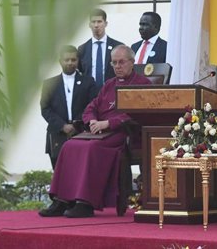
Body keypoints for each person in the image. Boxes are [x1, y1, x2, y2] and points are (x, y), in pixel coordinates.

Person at [39, 45, 152, 218]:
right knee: (70, 145)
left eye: (121, 62)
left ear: (132, 62)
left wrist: (108, 123)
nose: (117, 66)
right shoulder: (109, 85)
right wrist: (91, 120)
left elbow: (139, 115)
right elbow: (91, 107)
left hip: (123, 133)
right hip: (99, 131)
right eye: (114, 63)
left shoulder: (143, 84)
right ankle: (62, 200)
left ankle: (85, 203)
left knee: (90, 148)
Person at [40, 45, 99, 168]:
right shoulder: (49, 84)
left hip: (82, 133)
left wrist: (76, 125)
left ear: (78, 61)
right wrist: (62, 126)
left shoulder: (88, 82)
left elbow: (92, 106)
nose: (70, 63)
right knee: (60, 176)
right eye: (66, 60)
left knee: (81, 174)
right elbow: (45, 109)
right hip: (57, 135)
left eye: (73, 60)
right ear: (60, 61)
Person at [78, 8, 124, 89]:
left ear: (105, 23)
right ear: (89, 24)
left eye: (99, 21)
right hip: (89, 94)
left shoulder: (117, 46)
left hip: (111, 91)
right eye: (93, 22)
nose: (96, 25)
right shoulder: (82, 49)